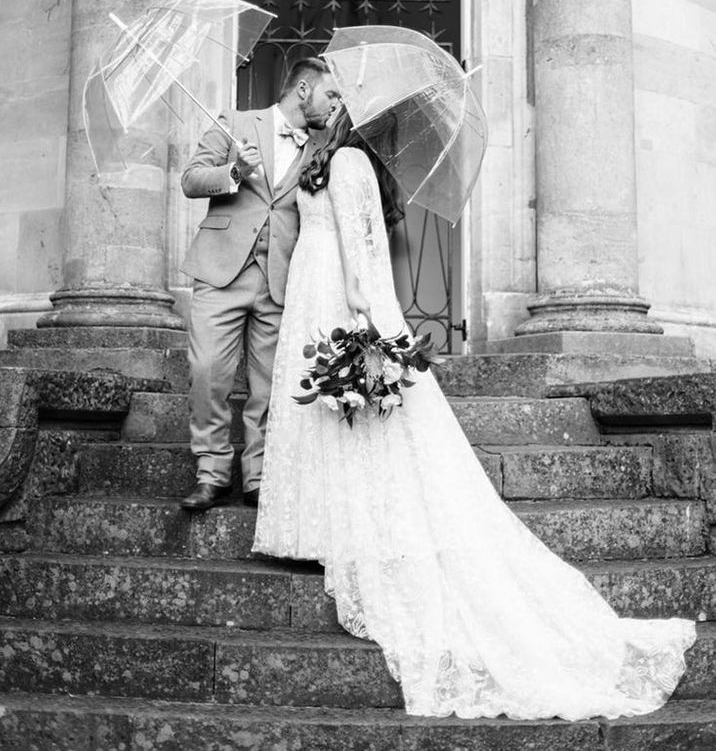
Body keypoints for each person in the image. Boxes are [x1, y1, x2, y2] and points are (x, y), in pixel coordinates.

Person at [253, 104, 696, 720]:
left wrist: (361, 308)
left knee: (356, 411)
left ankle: (346, 521)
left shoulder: (349, 161)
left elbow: (361, 244)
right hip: (310, 284)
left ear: (352, 117)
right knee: (332, 409)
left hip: (336, 291)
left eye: (332, 99)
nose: (321, 104)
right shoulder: (323, 158)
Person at [179, 58, 341, 511]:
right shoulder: (234, 122)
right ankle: (211, 473)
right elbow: (191, 179)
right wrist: (233, 171)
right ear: (304, 89)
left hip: (282, 277)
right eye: (332, 95)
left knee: (268, 385)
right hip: (221, 271)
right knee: (207, 371)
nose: (335, 105)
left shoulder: (324, 148)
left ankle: (258, 476)